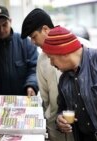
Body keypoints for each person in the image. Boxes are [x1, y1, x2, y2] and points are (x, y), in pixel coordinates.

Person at [21, 8, 80, 141]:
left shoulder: (81, 47)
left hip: (82, 131)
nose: (33, 42)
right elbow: (45, 98)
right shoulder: (41, 60)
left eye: (34, 36)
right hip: (56, 130)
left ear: (46, 29)